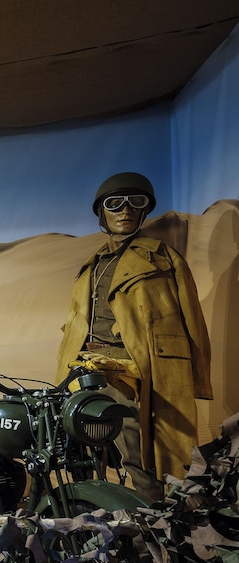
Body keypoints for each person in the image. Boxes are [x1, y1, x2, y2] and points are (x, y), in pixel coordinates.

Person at [56, 172, 212, 501]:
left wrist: (198, 379)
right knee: (83, 451)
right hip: (87, 370)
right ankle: (95, 512)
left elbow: (193, 322)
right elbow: (75, 322)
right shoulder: (91, 266)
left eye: (135, 203)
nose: (125, 210)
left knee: (141, 453)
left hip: (137, 372)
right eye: (115, 204)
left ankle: (155, 520)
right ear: (101, 213)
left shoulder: (164, 259)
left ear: (144, 210)